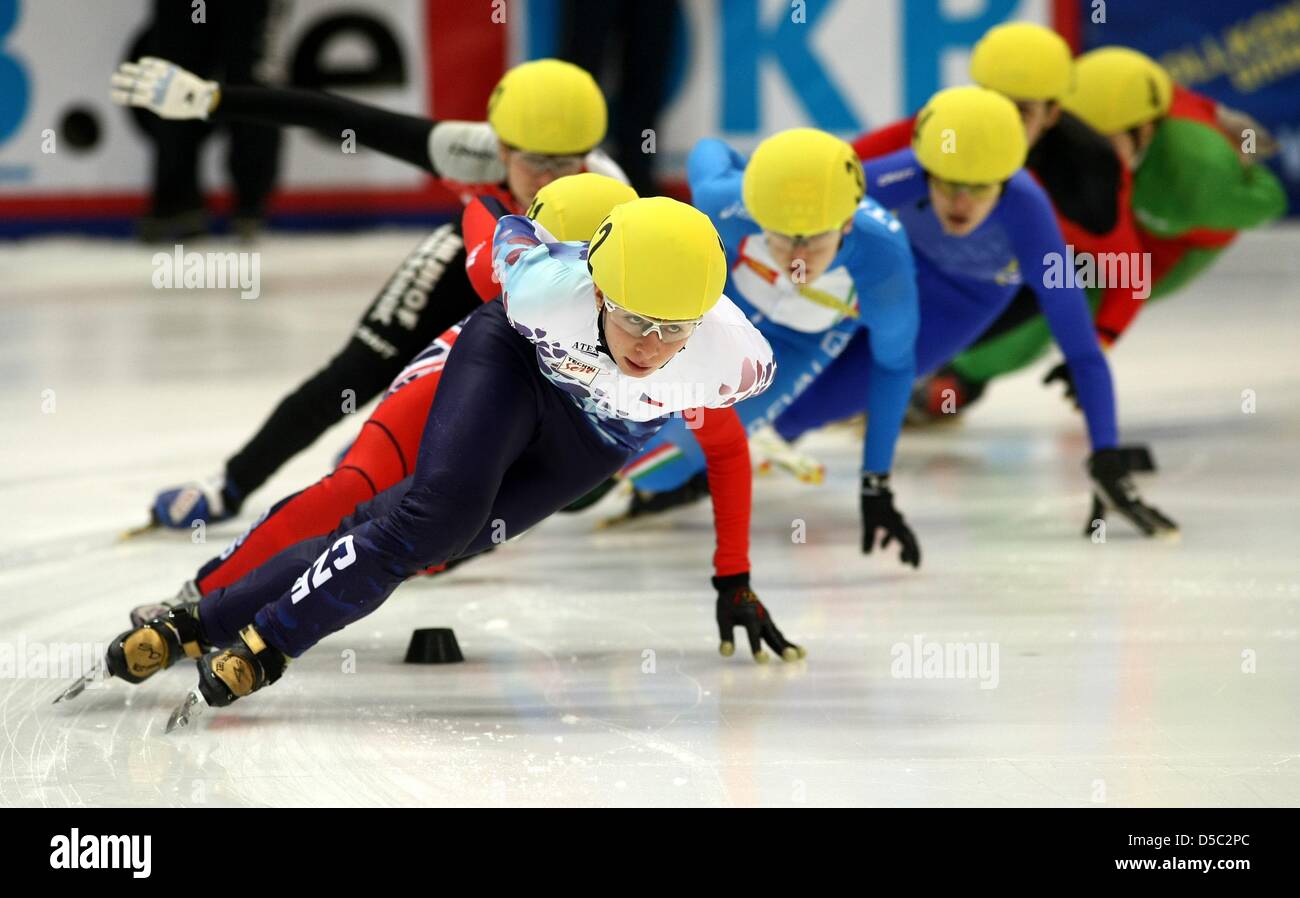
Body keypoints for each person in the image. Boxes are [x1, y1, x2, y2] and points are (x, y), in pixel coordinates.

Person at [78, 198, 800, 725]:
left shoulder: (733, 361)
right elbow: (493, 220)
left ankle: (203, 619)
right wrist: (493, 203)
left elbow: (729, 452)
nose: (649, 344)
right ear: (600, 288)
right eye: (635, 319)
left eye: (672, 330)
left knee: (419, 539)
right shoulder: (546, 285)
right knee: (433, 518)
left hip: (593, 443)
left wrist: (733, 576)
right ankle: (268, 644)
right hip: (515, 365)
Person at [112, 56, 624, 530]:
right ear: (502, 148)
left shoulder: (612, 193)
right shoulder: (467, 149)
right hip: (481, 246)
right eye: (535, 161)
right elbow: (338, 114)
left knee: (566, 441)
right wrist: (215, 100)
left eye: (567, 162)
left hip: (562, 282)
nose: (551, 178)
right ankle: (229, 484)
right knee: (357, 370)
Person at [770, 86, 1177, 538]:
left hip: (958, 308)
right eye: (948, 184)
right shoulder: (899, 174)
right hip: (889, 272)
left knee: (805, 412)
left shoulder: (1031, 216)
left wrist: (1106, 458)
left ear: (1005, 179)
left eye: (979, 189)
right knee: (765, 371)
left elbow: (1081, 349)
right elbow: (780, 212)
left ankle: (705, 473)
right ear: (927, 169)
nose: (961, 204)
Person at [604, 128, 923, 566]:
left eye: (812, 239)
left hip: (796, 343)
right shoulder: (731, 202)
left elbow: (894, 367)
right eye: (782, 236)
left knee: (656, 469)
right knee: (603, 425)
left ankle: (719, 460)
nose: (796, 257)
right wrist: (762, 175)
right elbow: (707, 149)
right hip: (722, 311)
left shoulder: (884, 261)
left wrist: (875, 484)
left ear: (847, 223)